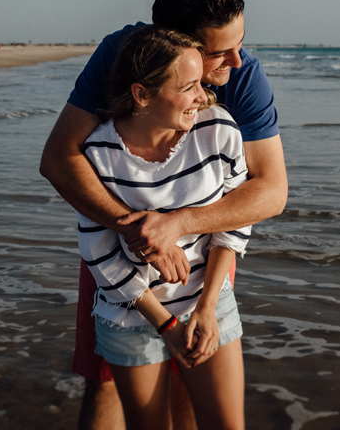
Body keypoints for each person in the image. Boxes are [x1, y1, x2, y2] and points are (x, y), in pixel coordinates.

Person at [40, 0, 287, 429]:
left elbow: (270, 191)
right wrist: (136, 233)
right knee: (104, 378)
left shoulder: (240, 81)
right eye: (221, 52)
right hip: (117, 251)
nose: (237, 62)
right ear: (181, 46)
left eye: (241, 44)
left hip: (202, 254)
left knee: (195, 375)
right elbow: (59, 158)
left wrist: (179, 225)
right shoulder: (120, 56)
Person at [77, 25, 249, 430]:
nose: (203, 96)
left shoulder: (218, 129)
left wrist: (205, 309)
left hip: (209, 304)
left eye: (201, 84)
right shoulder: (100, 154)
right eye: (189, 86)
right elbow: (99, 255)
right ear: (142, 95)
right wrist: (167, 324)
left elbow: (235, 220)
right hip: (131, 316)